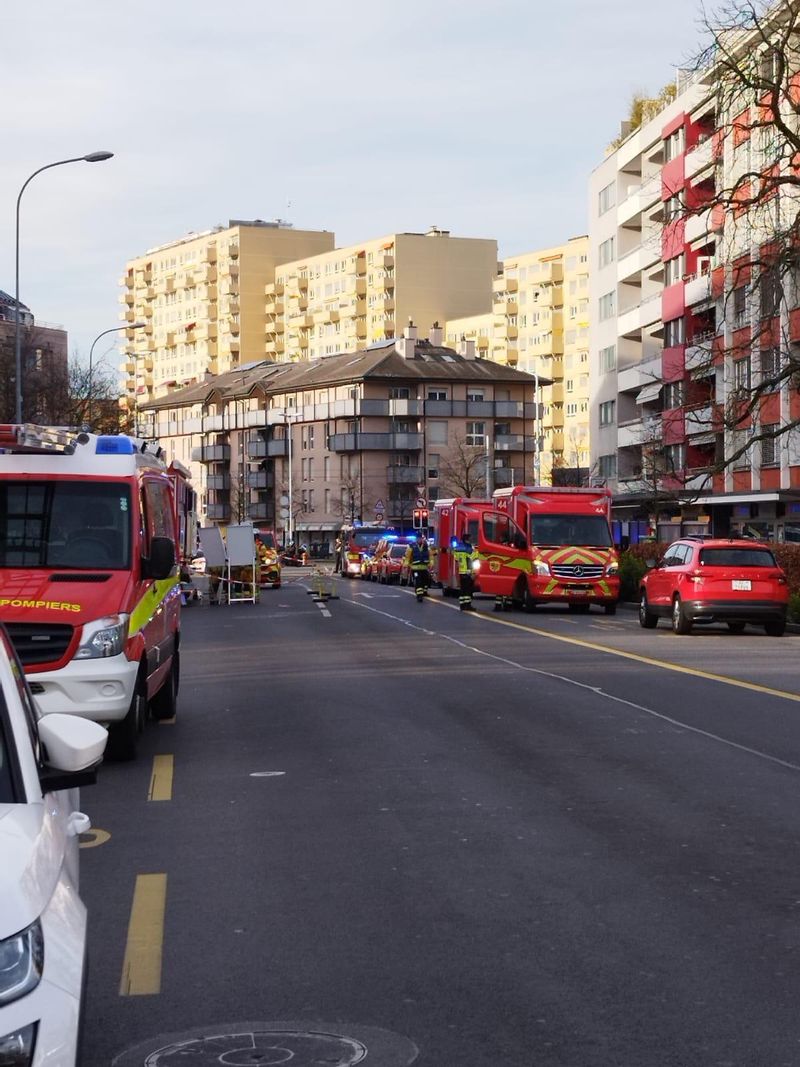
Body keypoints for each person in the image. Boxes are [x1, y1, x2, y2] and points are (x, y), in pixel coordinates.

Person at [453, 531, 478, 612]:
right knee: (468, 590)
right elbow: (473, 560)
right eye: (469, 539)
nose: (470, 540)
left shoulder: (458, 548)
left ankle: (462, 605)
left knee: (463, 590)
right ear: (467, 540)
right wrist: (474, 572)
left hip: (461, 571)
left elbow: (456, 559)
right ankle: (468, 605)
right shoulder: (469, 548)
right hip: (468, 572)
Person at [405, 535, 431, 603]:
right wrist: (406, 564)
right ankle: (419, 596)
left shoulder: (426, 546)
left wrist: (431, 563)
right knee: (418, 581)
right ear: (416, 539)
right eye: (418, 538)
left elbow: (430, 555)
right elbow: (407, 556)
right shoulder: (411, 546)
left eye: (420, 538)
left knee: (426, 580)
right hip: (415, 568)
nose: (419, 539)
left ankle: (422, 592)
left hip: (424, 568)